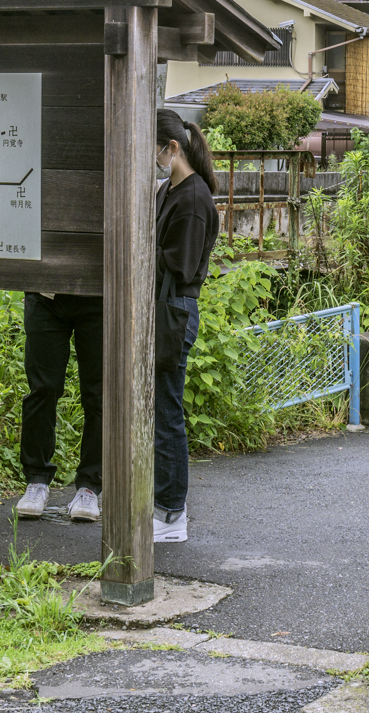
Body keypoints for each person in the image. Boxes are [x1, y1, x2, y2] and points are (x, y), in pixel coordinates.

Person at [153, 108, 221, 543]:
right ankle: (165, 506)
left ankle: (173, 513)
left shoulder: (194, 197)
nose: (152, 157)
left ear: (171, 148)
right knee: (162, 407)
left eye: (154, 149)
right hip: (166, 305)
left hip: (175, 307)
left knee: (168, 409)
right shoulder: (169, 190)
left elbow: (180, 262)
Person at [15, 292, 104, 522]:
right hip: (46, 294)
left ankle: (90, 486)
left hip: (102, 296)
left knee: (99, 395)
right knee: (42, 389)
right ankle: (37, 479)